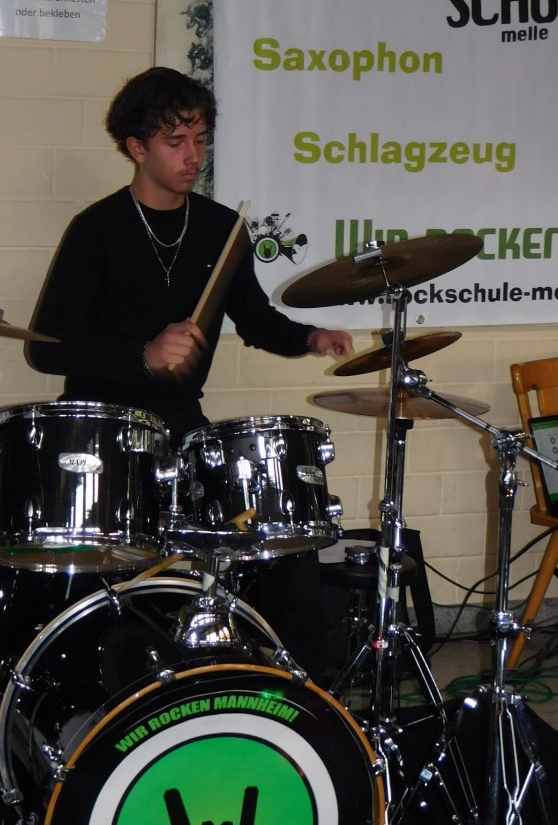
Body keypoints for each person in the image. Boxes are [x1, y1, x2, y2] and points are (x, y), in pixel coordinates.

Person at [26, 66, 353, 676]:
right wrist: (141, 357)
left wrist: (310, 337)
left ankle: (297, 684)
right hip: (104, 431)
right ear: (137, 147)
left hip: (181, 425)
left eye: (200, 140)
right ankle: (96, 676)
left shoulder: (221, 228)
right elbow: (46, 349)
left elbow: (255, 319)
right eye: (175, 142)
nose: (192, 156)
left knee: (279, 527)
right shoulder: (96, 230)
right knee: (106, 573)